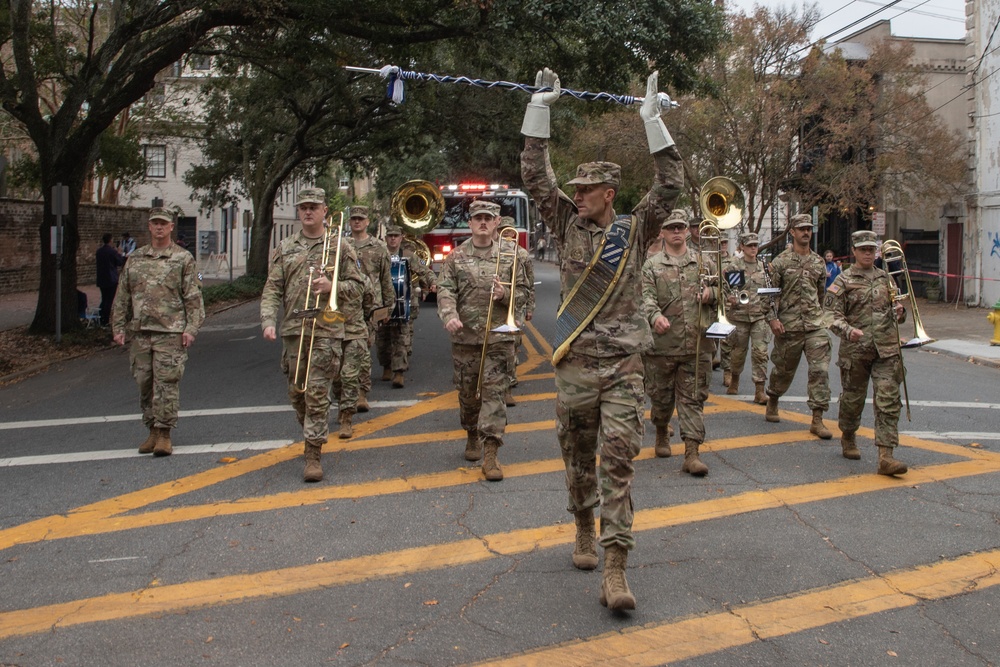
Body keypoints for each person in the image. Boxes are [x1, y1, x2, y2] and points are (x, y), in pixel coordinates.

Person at [521, 68, 681, 611]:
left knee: (618, 461)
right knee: (576, 458)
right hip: (573, 367)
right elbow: (536, 178)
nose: (577, 195)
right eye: (577, 190)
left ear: (608, 193)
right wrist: (539, 110)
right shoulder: (565, 223)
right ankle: (583, 525)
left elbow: (672, 185)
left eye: (586, 190)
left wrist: (653, 121)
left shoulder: (635, 230)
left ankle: (616, 569)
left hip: (622, 369)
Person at [260, 188, 365, 482]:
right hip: (295, 329)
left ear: (324, 212)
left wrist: (334, 287)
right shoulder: (285, 247)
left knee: (317, 393)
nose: (308, 211)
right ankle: (311, 432)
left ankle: (313, 453)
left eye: (314, 207)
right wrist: (268, 320)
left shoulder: (340, 247)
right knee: (298, 393)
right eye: (303, 207)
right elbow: (272, 289)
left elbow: (360, 287)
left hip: (327, 329)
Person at [437, 200, 529, 482]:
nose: (483, 223)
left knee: (494, 396)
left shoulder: (513, 255)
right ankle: (471, 433)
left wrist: (506, 296)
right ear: (470, 222)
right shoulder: (456, 257)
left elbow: (525, 293)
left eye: (488, 218)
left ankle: (491, 453)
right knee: (468, 397)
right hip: (466, 338)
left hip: (499, 337)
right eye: (478, 218)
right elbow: (444, 290)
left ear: (497, 222)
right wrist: (449, 315)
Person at [111, 208, 204, 457]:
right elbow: (122, 297)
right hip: (141, 333)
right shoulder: (136, 259)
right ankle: (151, 428)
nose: (159, 227)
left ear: (171, 227)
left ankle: (164, 433)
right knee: (144, 383)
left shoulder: (183, 259)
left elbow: (194, 298)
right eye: (155, 224)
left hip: (170, 333)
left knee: (166, 384)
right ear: (149, 227)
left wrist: (191, 328)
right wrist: (118, 327)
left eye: (164, 223)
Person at [825, 230, 909, 475]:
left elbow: (896, 310)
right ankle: (848, 435)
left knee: (889, 401)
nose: (868, 254)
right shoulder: (843, 280)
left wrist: (900, 313)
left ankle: (886, 455)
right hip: (856, 351)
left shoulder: (886, 278)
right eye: (863, 250)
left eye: (872, 250)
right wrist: (846, 330)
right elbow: (830, 315)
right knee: (853, 400)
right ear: (854, 251)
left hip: (887, 350)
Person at [641, 210, 717, 474]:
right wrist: (654, 316)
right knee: (661, 400)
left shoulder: (703, 262)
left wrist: (712, 293)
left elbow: (723, 290)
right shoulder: (651, 265)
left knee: (693, 400)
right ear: (662, 232)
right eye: (670, 227)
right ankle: (661, 430)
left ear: (687, 230)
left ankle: (691, 454)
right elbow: (645, 298)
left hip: (696, 345)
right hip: (662, 347)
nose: (676, 231)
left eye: (680, 227)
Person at [764, 214, 833, 439]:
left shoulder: (818, 262)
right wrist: (773, 319)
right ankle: (773, 398)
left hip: (814, 325)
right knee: (783, 371)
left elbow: (821, 293)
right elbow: (769, 296)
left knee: (820, 371)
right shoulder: (781, 262)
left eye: (809, 229)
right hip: (789, 327)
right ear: (792, 232)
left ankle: (817, 419)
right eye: (801, 229)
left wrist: (821, 317)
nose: (806, 232)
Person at [375, 225, 437, 391]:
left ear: (401, 237)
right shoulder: (379, 254)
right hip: (382, 303)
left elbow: (424, 271)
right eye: (390, 236)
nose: (393, 239)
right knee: (382, 339)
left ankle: (399, 372)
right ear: (386, 238)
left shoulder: (409, 256)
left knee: (401, 338)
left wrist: (432, 282)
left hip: (403, 302)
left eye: (396, 236)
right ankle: (386, 366)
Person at [347, 206, 394, 397]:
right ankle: (349, 388)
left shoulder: (379, 247)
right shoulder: (342, 245)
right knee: (348, 350)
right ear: (350, 222)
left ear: (367, 222)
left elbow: (386, 279)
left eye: (361, 219)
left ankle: (361, 392)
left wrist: (388, 307)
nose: (357, 222)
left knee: (364, 348)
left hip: (371, 307)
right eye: (354, 219)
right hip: (347, 305)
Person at [722, 233, 772, 403]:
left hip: (759, 316)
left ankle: (760, 390)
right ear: (742, 247)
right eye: (749, 245)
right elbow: (724, 286)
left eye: (755, 245)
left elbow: (769, 290)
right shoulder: (734, 266)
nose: (753, 248)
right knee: (738, 352)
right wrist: (729, 297)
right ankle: (734, 378)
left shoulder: (764, 267)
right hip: (739, 316)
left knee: (761, 352)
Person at [332, 273, 375, 439]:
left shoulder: (361, 279)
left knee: (349, 376)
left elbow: (369, 301)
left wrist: (363, 320)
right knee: (336, 377)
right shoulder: (326, 278)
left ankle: (347, 418)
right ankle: (341, 405)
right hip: (332, 332)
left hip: (354, 332)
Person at [498, 217, 535, 406]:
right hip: (496, 306)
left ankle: (508, 387)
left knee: (511, 346)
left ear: (514, 233)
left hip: (516, 306)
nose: (505, 234)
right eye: (501, 230)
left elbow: (529, 282)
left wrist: (530, 307)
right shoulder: (493, 251)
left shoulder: (521, 254)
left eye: (508, 230)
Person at [95, 232, 125, 326]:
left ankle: (101, 316)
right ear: (110, 240)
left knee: (104, 298)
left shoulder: (99, 251)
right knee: (109, 300)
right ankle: (105, 320)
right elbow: (119, 262)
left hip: (101, 278)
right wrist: (119, 253)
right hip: (111, 278)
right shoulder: (112, 252)